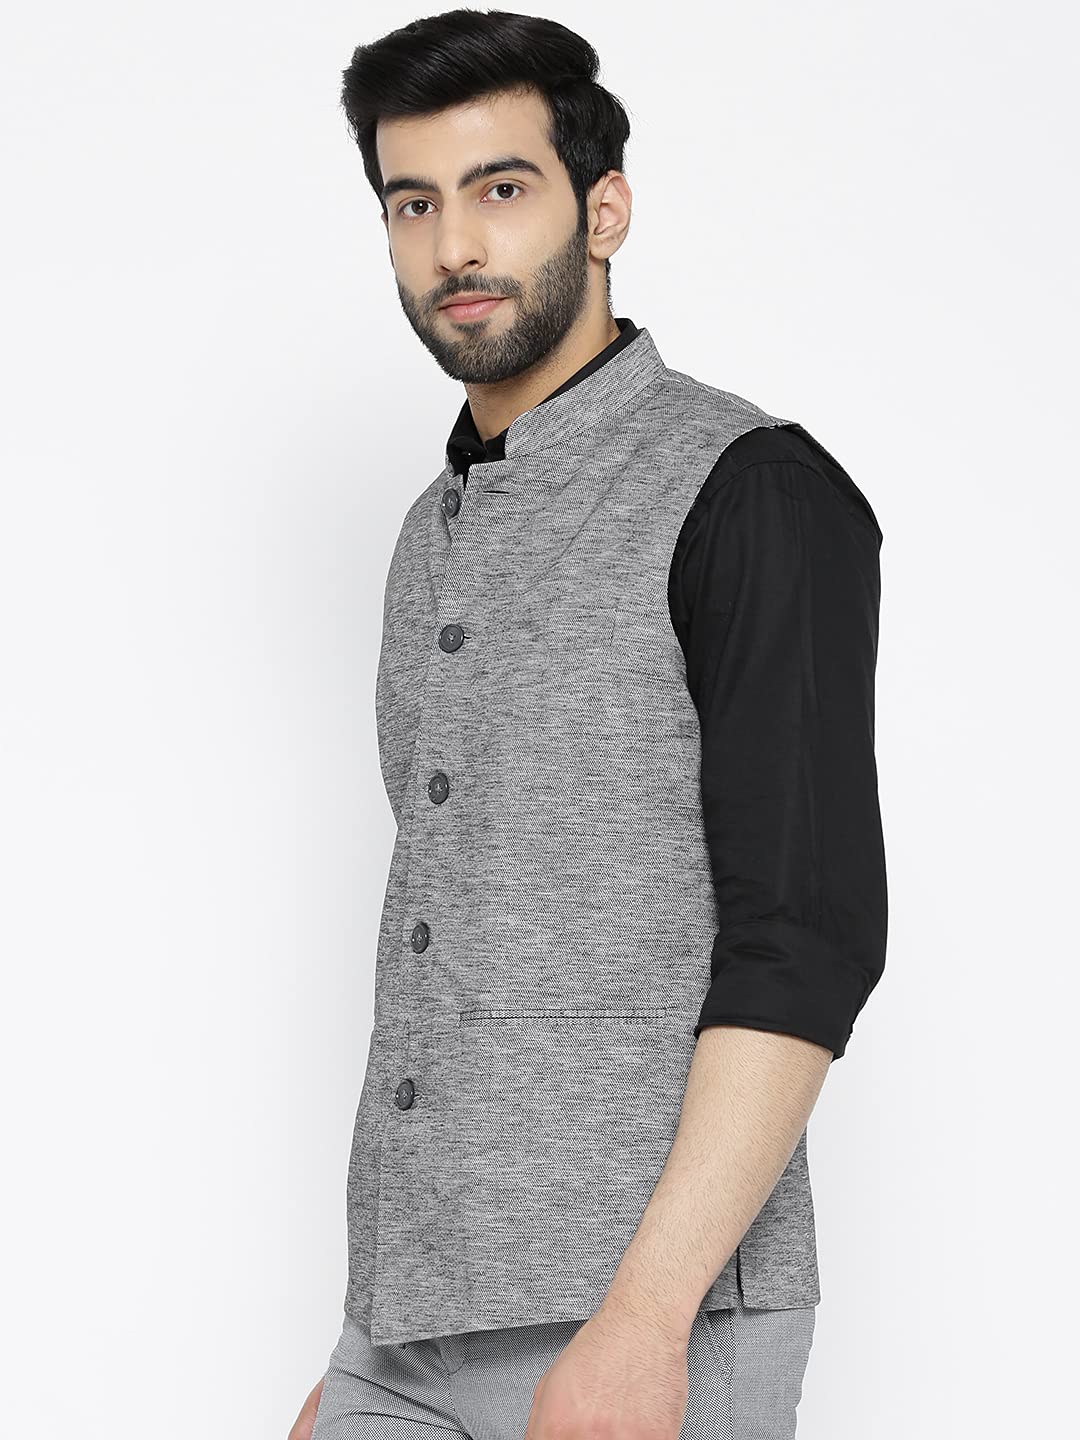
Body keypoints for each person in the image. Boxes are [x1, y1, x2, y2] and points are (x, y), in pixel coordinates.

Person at [291, 9, 887, 1438]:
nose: (454, 246)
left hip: (645, 1318)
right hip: (404, 1327)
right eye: (412, 204)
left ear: (603, 209)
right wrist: (362, 1348)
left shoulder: (747, 488)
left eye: (501, 189)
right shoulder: (428, 534)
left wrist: (646, 1317)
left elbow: (806, 941)